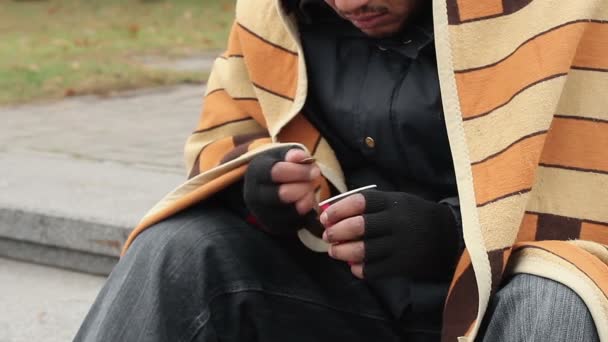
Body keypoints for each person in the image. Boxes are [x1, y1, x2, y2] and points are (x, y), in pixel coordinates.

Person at [76, 0, 608, 341]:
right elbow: (228, 137)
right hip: (349, 306)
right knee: (181, 244)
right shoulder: (278, 14)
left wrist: (452, 236)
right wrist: (260, 189)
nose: (350, 3)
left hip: (502, 310)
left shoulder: (563, 14)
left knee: (553, 294)